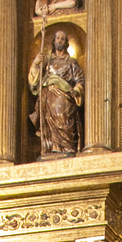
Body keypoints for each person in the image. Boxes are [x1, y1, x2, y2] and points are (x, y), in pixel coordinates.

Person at [28, 28, 85, 157]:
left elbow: (80, 79)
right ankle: (52, 150)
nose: (60, 40)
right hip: (49, 98)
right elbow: (34, 81)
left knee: (65, 122)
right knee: (50, 125)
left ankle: (67, 149)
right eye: (58, 38)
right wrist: (36, 64)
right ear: (53, 42)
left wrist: (77, 90)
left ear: (66, 44)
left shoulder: (71, 62)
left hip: (65, 99)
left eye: (63, 38)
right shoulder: (47, 61)